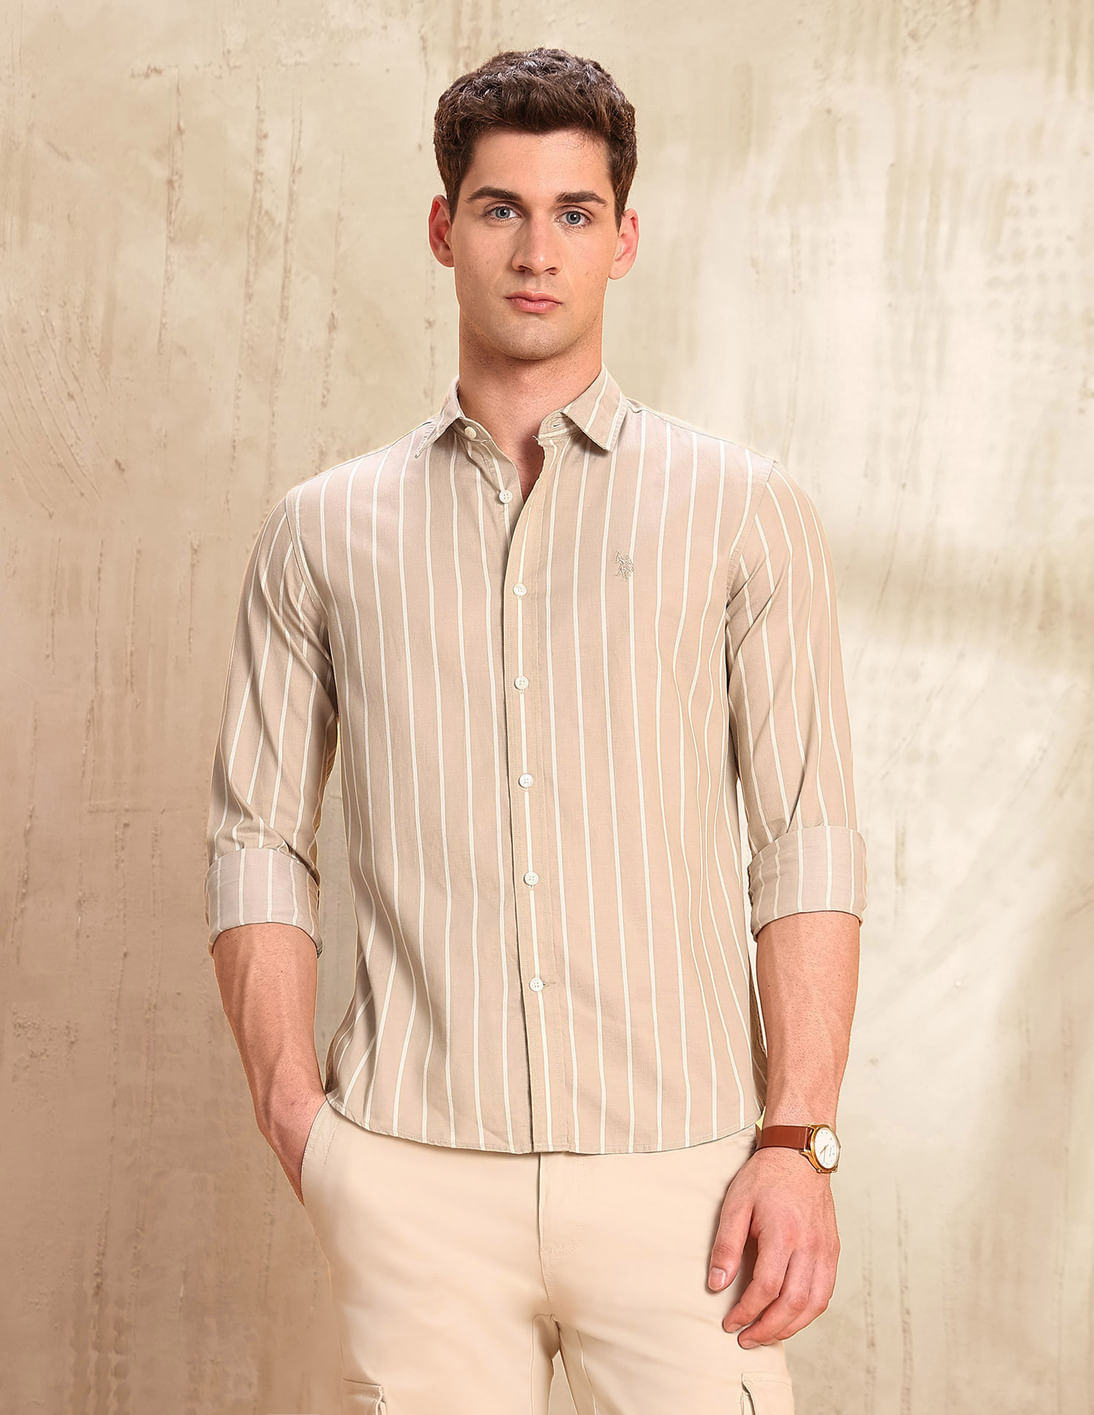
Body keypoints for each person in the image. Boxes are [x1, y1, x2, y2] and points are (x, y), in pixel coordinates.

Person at [204, 45, 867, 1415]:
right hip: (411, 1177)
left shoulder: (741, 509)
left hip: (684, 1177)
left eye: (574, 212)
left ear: (623, 239)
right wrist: (295, 1115)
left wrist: (796, 1139)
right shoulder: (323, 531)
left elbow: (804, 840)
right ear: (443, 228)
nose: (535, 250)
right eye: (500, 208)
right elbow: (257, 838)